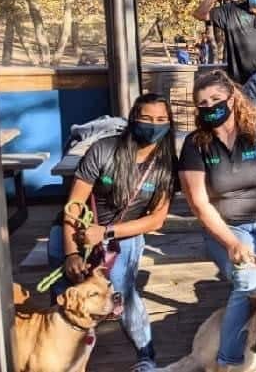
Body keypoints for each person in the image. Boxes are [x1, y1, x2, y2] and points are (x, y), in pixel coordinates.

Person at [178, 71, 256, 370]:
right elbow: (199, 202)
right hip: (228, 227)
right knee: (248, 281)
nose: (210, 107)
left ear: (232, 98)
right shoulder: (195, 145)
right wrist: (232, 243)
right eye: (203, 103)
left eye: (217, 99)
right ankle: (228, 361)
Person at [47, 93, 178, 372]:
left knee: (122, 294)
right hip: (75, 233)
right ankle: (63, 360)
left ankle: (145, 356)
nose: (153, 125)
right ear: (132, 119)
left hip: (120, 236)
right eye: (146, 118)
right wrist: (71, 253)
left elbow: (156, 220)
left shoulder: (166, 164)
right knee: (65, 300)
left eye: (161, 120)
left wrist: (106, 232)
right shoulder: (104, 150)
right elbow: (73, 206)